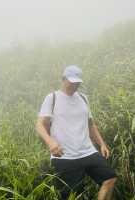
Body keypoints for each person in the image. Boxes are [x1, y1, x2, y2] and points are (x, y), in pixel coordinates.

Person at [36, 65, 117, 200]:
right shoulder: (52, 98)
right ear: (63, 79)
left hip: (87, 151)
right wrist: (50, 142)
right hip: (65, 156)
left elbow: (90, 124)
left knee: (110, 179)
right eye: (72, 82)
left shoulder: (83, 98)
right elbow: (39, 125)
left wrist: (102, 144)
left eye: (77, 82)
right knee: (72, 196)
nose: (75, 85)